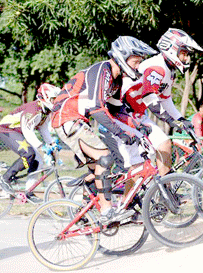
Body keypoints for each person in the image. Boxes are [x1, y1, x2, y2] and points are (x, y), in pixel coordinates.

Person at [51, 36, 157, 224]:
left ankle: (87, 205)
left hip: (77, 120)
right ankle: (107, 211)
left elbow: (116, 111)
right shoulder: (102, 70)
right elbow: (97, 109)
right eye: (136, 61)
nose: (138, 66)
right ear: (123, 56)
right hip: (67, 117)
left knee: (101, 167)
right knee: (105, 158)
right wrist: (123, 133)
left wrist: (137, 127)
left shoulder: (116, 81)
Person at [108, 28, 203, 177]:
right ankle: (132, 196)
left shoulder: (168, 70)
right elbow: (150, 99)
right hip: (123, 115)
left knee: (165, 144)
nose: (187, 59)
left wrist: (181, 119)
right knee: (139, 167)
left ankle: (165, 192)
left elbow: (166, 100)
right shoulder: (157, 67)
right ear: (172, 49)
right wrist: (171, 121)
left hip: (138, 115)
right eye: (184, 53)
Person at [0, 83, 61, 203]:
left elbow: (43, 129)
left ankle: (29, 191)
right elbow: (27, 131)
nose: (55, 102)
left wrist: (52, 144)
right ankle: (5, 179)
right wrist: (41, 146)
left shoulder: (45, 111)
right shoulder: (33, 109)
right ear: (45, 97)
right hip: (7, 129)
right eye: (53, 99)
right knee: (29, 154)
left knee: (38, 160)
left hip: (19, 132)